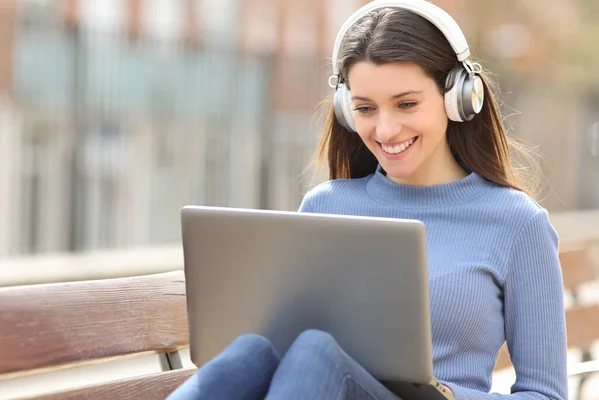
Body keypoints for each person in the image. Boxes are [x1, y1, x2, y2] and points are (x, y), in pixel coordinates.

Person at [168, 0, 568, 399]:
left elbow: (545, 394)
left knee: (315, 351)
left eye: (406, 103)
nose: (386, 129)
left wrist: (445, 394)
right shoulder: (323, 207)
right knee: (254, 350)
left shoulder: (517, 224)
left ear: (458, 98)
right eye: (365, 108)